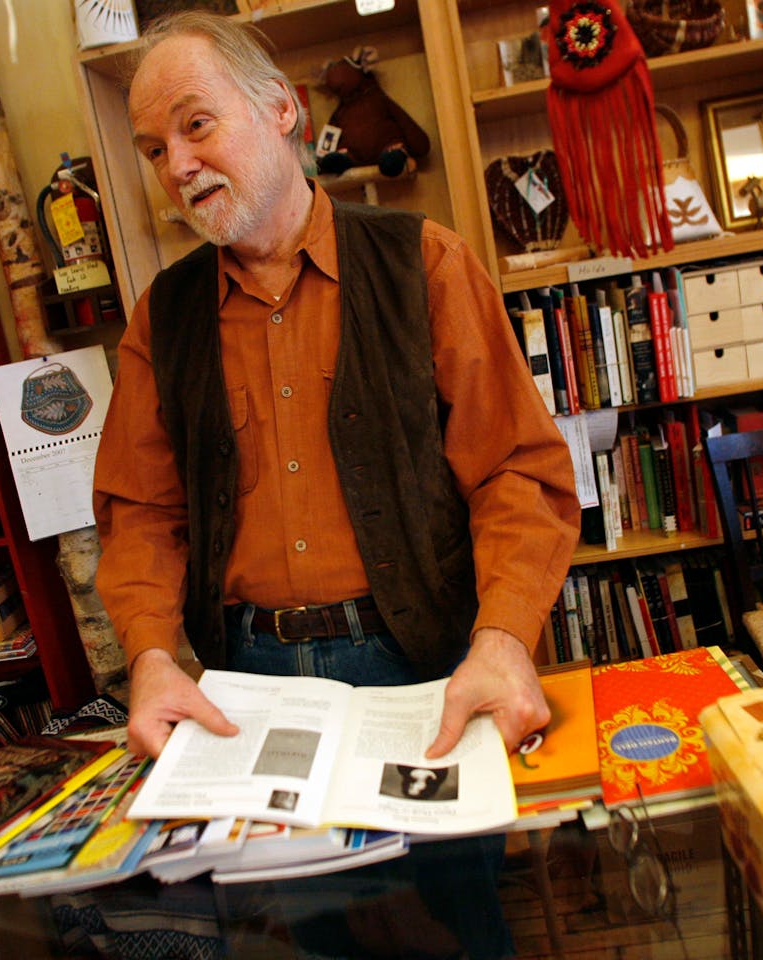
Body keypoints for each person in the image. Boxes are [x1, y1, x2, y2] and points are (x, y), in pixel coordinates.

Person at [92, 10, 578, 765]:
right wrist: (151, 659)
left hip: (419, 660)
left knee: (450, 882)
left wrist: (506, 636)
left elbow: (514, 470)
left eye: (197, 126)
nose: (177, 166)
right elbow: (142, 514)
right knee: (283, 887)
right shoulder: (163, 317)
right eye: (155, 149)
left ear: (282, 109)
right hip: (242, 682)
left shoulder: (427, 264)